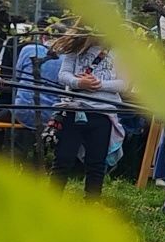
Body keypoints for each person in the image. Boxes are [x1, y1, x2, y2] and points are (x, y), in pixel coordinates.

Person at [52, 28, 126, 197]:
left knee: (97, 163)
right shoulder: (76, 49)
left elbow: (124, 83)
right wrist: (79, 83)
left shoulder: (119, 52)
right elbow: (63, 75)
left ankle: (92, 204)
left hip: (103, 112)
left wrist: (98, 84)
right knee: (63, 159)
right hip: (74, 109)